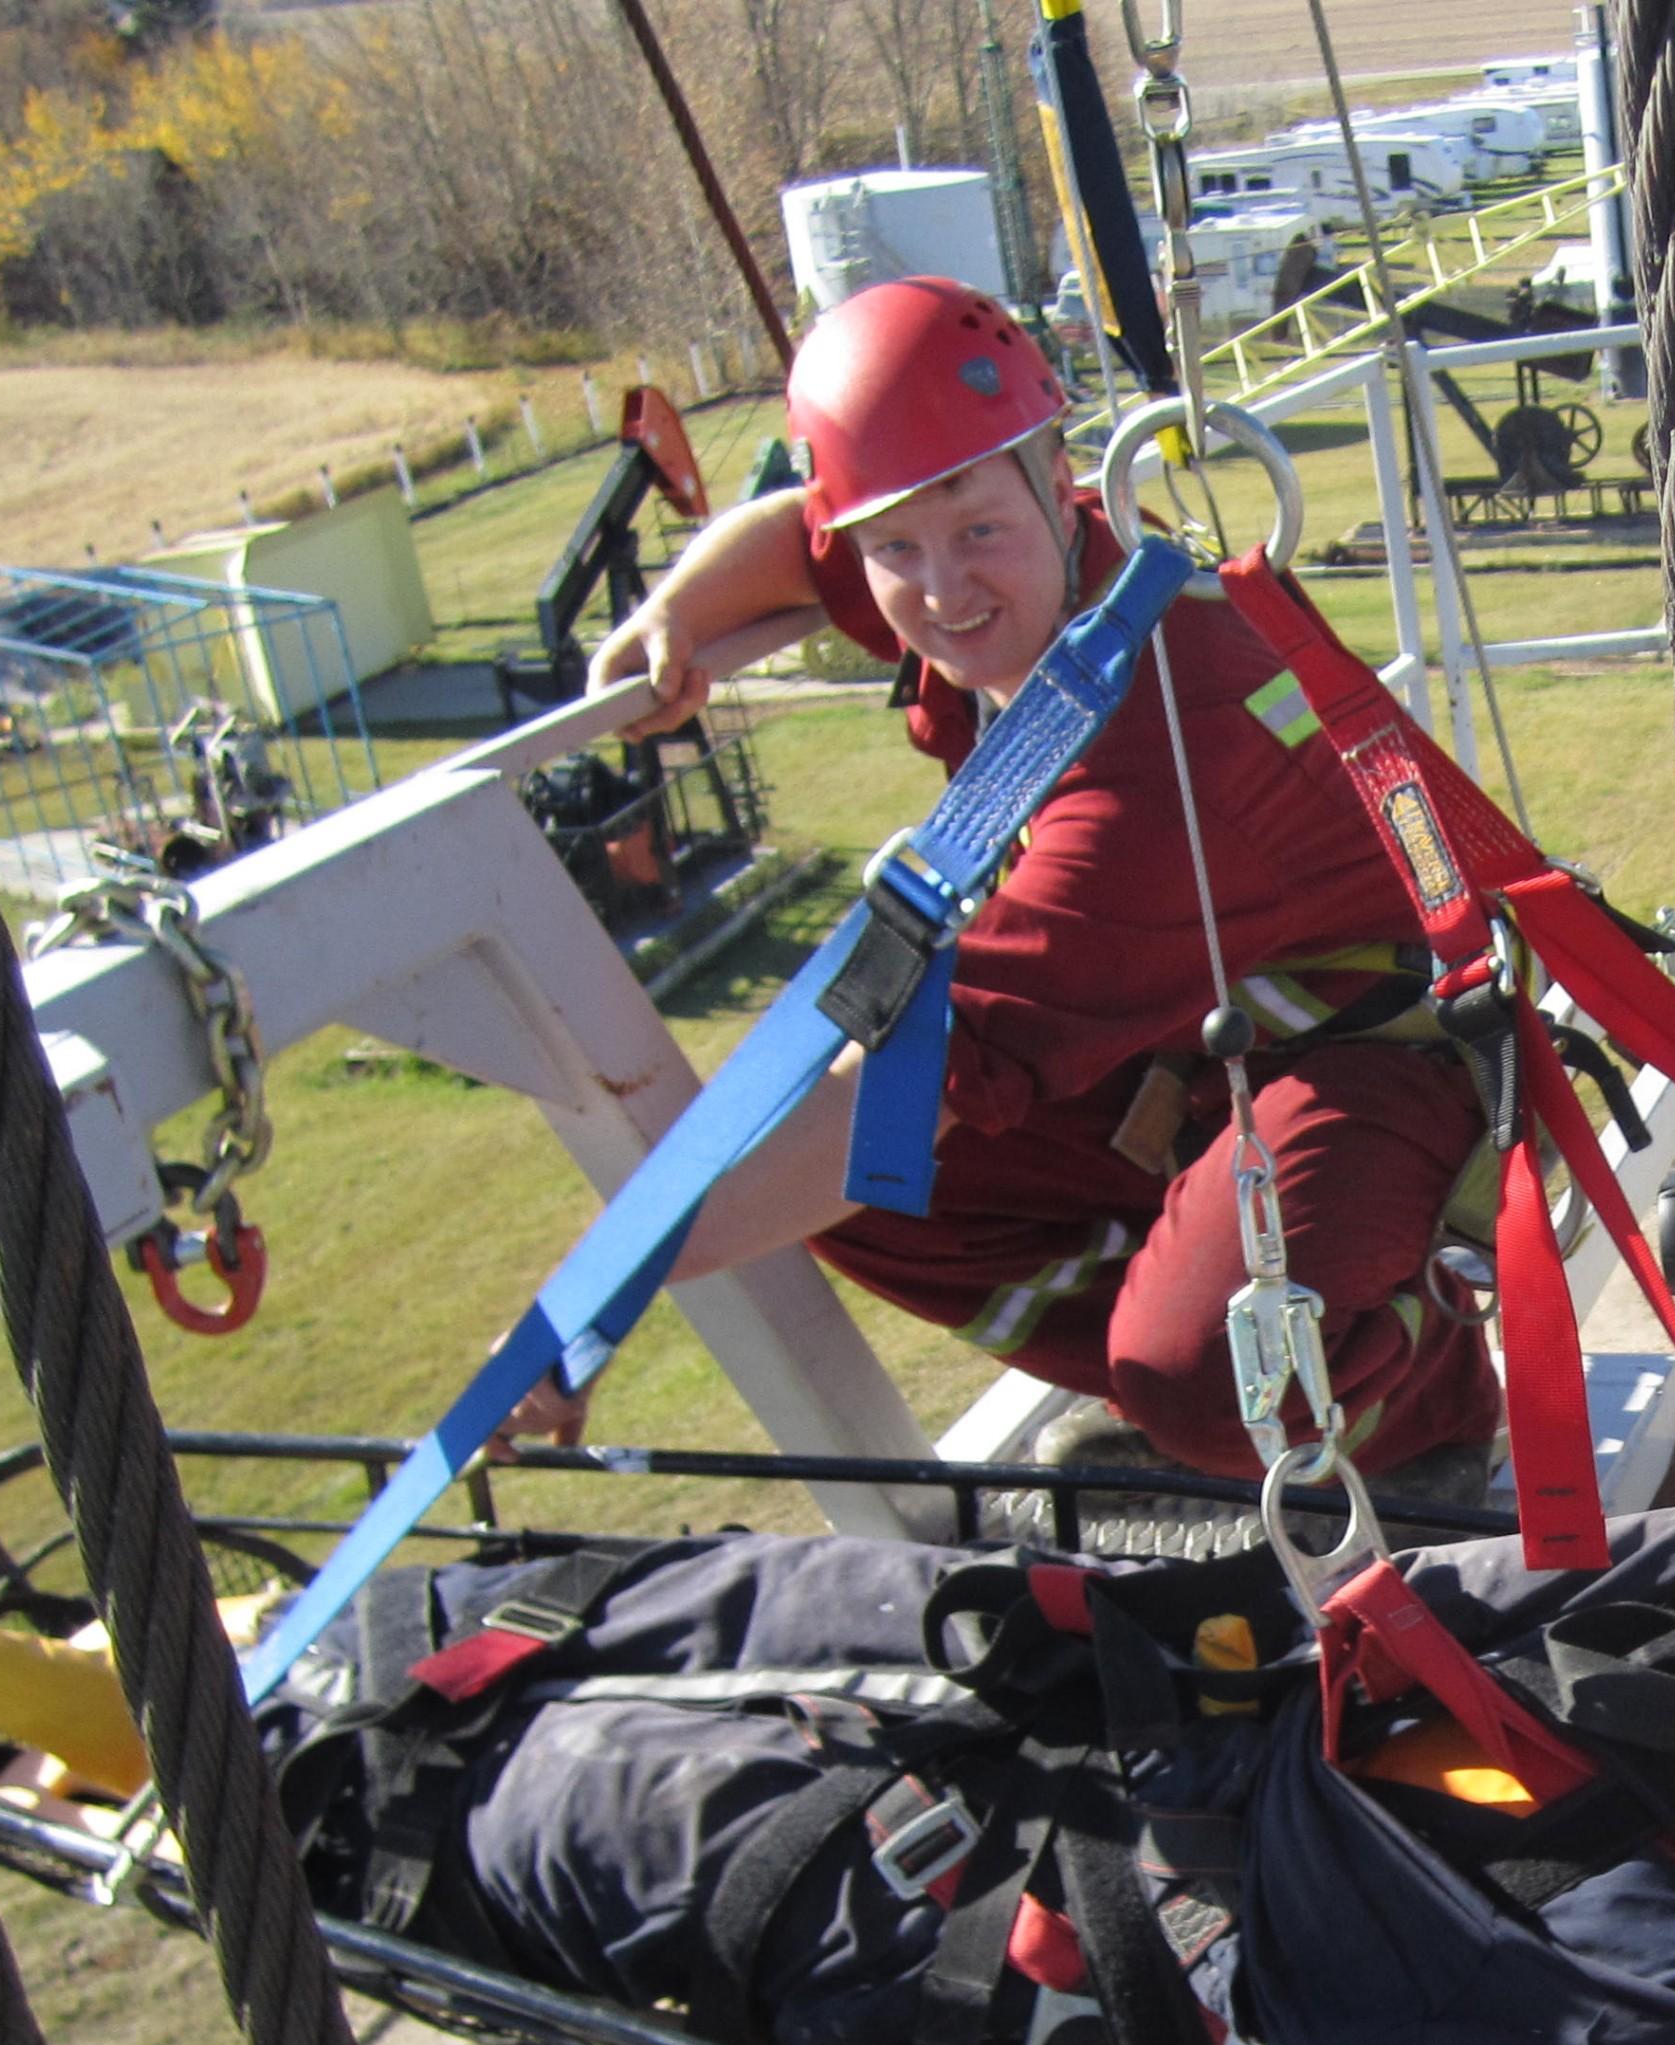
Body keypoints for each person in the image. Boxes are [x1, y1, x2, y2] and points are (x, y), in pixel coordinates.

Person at [567, 276, 1499, 1484]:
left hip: (1390, 1062)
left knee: (1194, 1371)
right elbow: (803, 545)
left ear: (1056, 478)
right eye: (896, 547)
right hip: (1201, 1040)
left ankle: (1410, 1396)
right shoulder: (1043, 560)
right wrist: (673, 613)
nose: (946, 593)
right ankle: (1208, 1357)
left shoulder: (1162, 749)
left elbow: (895, 1101)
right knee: (869, 1197)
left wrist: (593, 1299)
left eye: (977, 535)